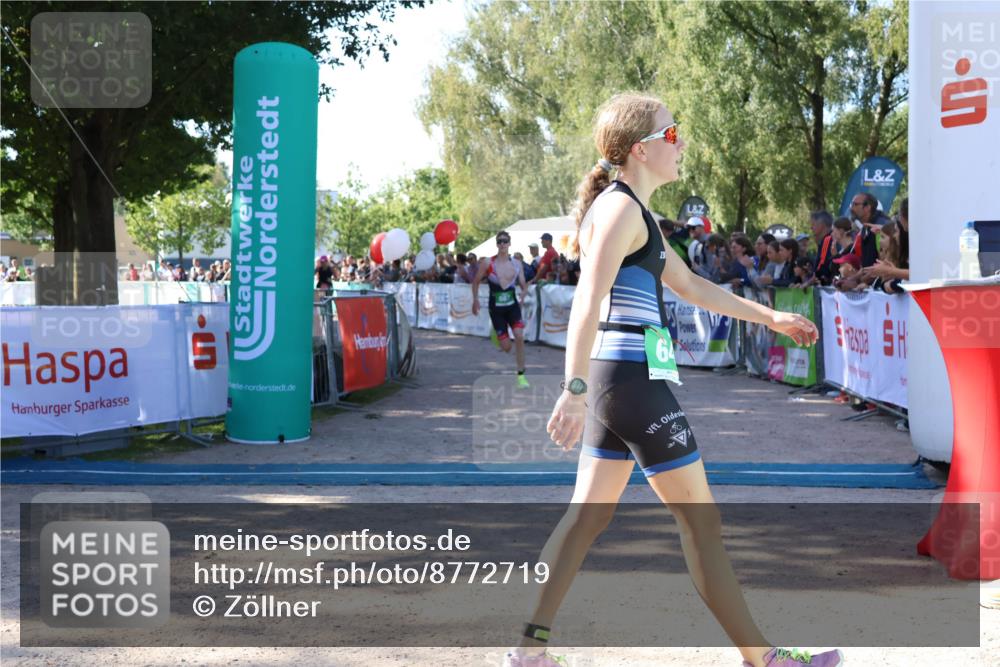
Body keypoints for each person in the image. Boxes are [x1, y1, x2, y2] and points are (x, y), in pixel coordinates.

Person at [507, 93, 840, 667]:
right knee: (700, 524)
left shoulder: (634, 213)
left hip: (623, 382)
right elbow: (588, 297)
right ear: (641, 148)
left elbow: (694, 288)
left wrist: (773, 317)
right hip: (628, 382)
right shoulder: (619, 211)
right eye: (673, 133)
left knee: (587, 516)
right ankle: (763, 659)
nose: (681, 143)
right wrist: (575, 389)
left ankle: (528, 653)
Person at [471, 231, 531, 388]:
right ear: (497, 244)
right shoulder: (488, 263)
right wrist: (475, 300)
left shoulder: (517, 264)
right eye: (500, 241)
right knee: (506, 348)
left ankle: (521, 375)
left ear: (510, 244)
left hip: (512, 307)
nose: (503, 244)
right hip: (496, 309)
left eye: (505, 241)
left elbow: (524, 284)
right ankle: (496, 334)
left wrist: (523, 294)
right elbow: (476, 281)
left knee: (519, 336)